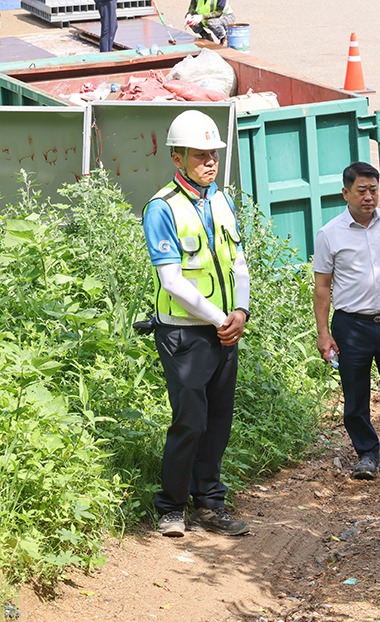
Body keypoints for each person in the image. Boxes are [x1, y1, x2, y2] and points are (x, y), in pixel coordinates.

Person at [142, 110, 250, 538]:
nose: (210, 161)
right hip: (185, 333)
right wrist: (222, 318)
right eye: (200, 155)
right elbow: (172, 280)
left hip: (226, 330)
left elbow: (238, 263)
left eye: (214, 154)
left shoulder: (220, 200)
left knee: (219, 420)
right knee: (191, 421)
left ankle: (209, 505)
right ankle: (170, 507)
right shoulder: (161, 207)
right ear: (177, 157)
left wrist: (240, 312)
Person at [313, 161, 380, 483]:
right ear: (345, 192)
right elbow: (322, 286)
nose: (368, 197)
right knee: (355, 394)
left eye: (373, 190)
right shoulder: (329, 234)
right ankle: (367, 454)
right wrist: (323, 332)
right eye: (361, 191)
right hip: (351, 328)